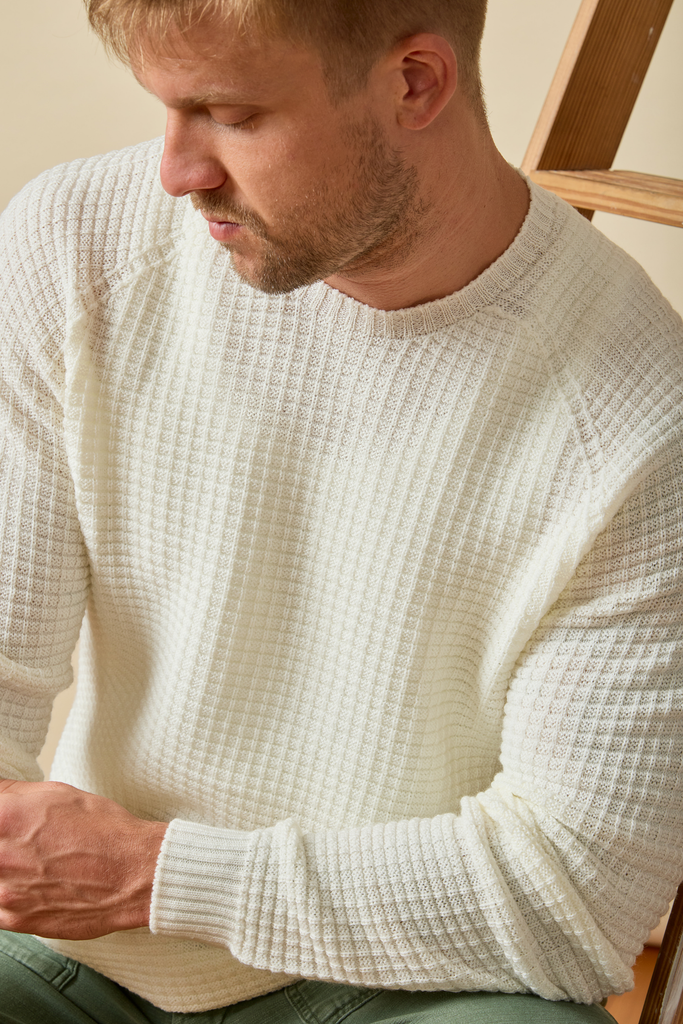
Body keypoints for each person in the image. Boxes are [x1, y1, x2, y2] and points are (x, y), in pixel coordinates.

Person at [0, 0, 682, 1021]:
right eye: (168, 111)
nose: (177, 170)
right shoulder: (76, 245)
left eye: (228, 114)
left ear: (414, 82)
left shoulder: (637, 411)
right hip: (75, 964)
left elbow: (571, 898)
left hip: (409, 988)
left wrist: (154, 875)